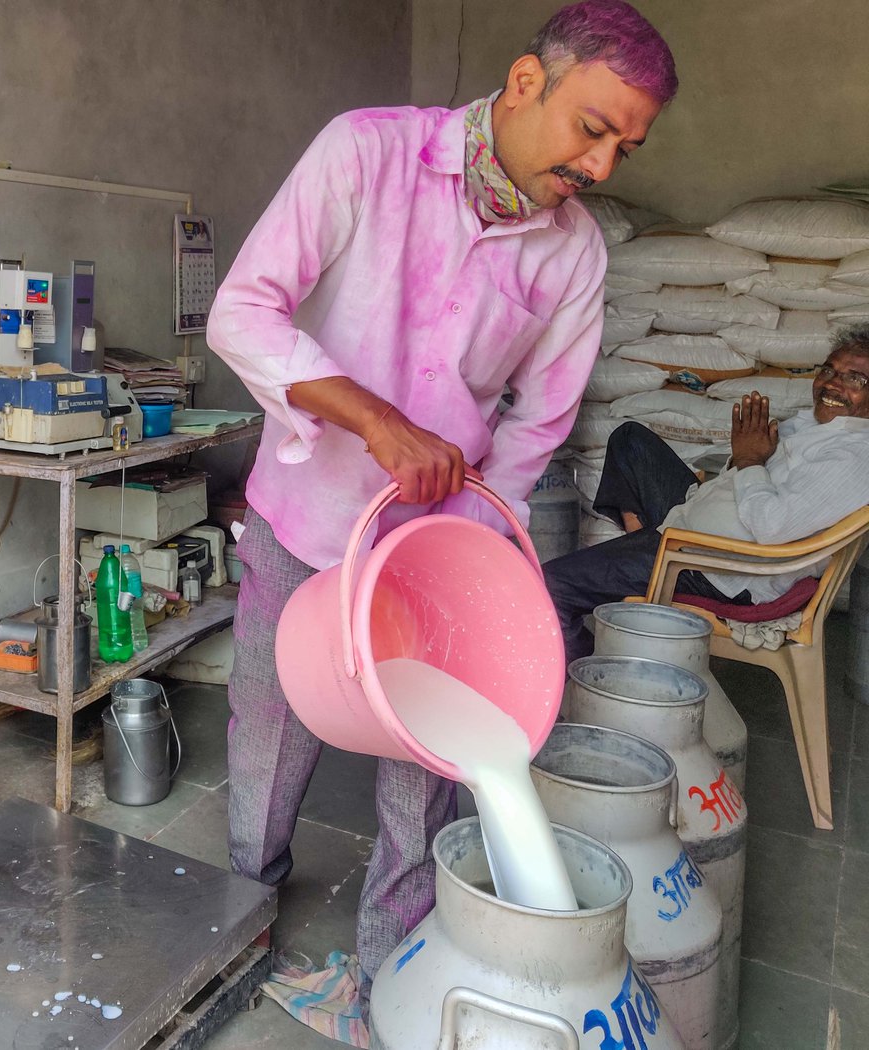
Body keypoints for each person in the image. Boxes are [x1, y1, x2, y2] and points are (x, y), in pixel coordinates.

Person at [205, 0, 675, 1003]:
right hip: (309, 511)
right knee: (268, 728)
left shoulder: (572, 253)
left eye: (621, 149)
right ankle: (237, 919)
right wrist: (374, 421)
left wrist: (468, 545)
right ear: (522, 83)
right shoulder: (364, 154)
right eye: (589, 129)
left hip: (438, 539)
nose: (597, 167)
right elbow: (242, 310)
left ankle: (391, 970)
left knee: (426, 768)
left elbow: (537, 421)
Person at [546, 327, 869, 660]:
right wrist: (746, 457)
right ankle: (641, 556)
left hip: (716, 568)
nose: (832, 384)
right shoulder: (816, 427)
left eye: (855, 379)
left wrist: (750, 460)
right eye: (829, 370)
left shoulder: (854, 457)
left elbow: (772, 528)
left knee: (551, 587)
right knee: (630, 441)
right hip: (693, 527)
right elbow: (742, 472)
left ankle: (570, 684)